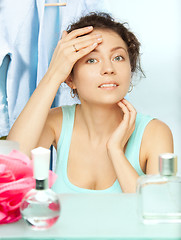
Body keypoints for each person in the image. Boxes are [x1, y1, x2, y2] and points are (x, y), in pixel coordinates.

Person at [7, 12, 173, 193]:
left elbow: (158, 209)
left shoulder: (155, 133)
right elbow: (10, 166)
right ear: (70, 78)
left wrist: (116, 151)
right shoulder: (56, 122)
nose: (109, 69)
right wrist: (54, 74)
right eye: (92, 60)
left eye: (118, 57)